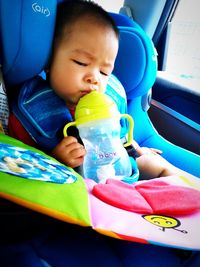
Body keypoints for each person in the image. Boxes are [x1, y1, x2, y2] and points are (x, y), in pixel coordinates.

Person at [5, 1, 200, 266]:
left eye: (104, 71)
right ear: (49, 62)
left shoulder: (108, 99)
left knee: (152, 162)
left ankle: (188, 193)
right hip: (78, 187)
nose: (94, 78)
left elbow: (118, 138)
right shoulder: (33, 108)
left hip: (116, 169)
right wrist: (54, 157)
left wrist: (133, 150)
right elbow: (21, 162)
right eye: (81, 62)